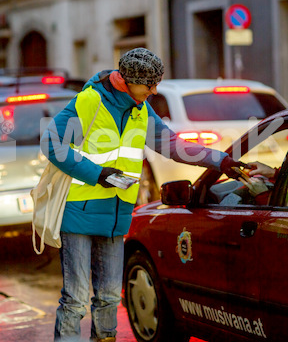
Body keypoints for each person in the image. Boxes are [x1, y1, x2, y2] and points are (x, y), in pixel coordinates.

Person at [40, 48, 244, 342]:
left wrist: (222, 161)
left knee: (110, 296)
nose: (154, 90)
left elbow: (174, 146)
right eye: (150, 84)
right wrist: (98, 174)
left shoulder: (141, 110)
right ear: (129, 80)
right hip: (79, 212)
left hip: (116, 213)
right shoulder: (91, 101)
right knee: (76, 298)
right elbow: (51, 143)